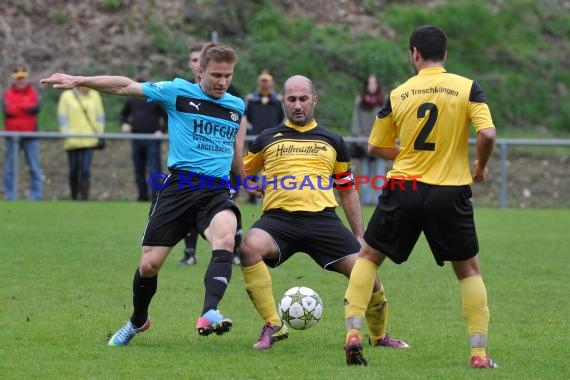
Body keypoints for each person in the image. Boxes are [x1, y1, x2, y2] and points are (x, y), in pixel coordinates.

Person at [41, 42, 254, 346]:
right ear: (200, 70)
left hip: (215, 191)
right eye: (216, 75)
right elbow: (126, 86)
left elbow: (235, 148)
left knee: (225, 238)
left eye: (228, 76)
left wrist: (245, 180)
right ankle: (138, 320)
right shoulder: (177, 91)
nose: (222, 82)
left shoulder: (235, 106)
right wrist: (79, 80)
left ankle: (210, 312)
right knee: (149, 265)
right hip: (179, 188)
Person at [342, 25, 498, 368]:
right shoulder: (467, 87)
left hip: (404, 186)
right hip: (450, 191)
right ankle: (478, 355)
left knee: (368, 256)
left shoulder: (399, 93)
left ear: (414, 54)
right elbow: (487, 132)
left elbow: (374, 146)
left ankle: (353, 333)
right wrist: (480, 166)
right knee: (469, 270)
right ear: (445, 54)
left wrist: (409, 156)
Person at [239, 75, 409, 351]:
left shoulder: (332, 140)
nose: (297, 105)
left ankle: (379, 336)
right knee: (249, 248)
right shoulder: (266, 139)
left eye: (303, 99)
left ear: (313, 100)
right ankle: (273, 325)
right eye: (291, 99)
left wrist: (359, 233)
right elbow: (243, 170)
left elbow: (347, 189)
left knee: (365, 271)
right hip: (278, 220)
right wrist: (248, 182)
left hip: (323, 220)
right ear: (283, 101)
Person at [180, 42, 243, 266]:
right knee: (190, 211)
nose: (222, 81)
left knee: (227, 211)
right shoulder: (182, 92)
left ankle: (234, 252)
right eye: (194, 60)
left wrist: (243, 173)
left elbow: (237, 132)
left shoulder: (229, 94)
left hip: (221, 171)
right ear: (195, 67)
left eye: (227, 75)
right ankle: (190, 253)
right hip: (191, 172)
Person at [120, 73, 167, 202]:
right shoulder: (131, 99)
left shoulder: (155, 98)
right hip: (136, 139)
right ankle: (141, 197)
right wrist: (125, 124)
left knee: (154, 170)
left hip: (152, 139)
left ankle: (156, 197)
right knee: (138, 169)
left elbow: (167, 117)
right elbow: (123, 115)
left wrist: (161, 130)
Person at [243, 70, 285, 204]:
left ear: (272, 83)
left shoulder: (278, 101)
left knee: (273, 167)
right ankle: (252, 197)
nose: (265, 85)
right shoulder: (251, 99)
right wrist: (250, 130)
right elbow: (245, 118)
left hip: (273, 139)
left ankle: (272, 196)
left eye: (267, 82)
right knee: (253, 168)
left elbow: (282, 119)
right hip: (254, 139)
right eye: (262, 81)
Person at [57, 85, 105, 200]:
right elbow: (62, 118)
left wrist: (99, 134)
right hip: (72, 140)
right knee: (73, 170)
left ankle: (84, 197)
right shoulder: (66, 96)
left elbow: (100, 117)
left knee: (85, 169)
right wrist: (66, 135)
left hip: (89, 139)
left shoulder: (95, 95)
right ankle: (74, 195)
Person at [2, 65, 43, 200]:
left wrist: (17, 107)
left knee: (34, 167)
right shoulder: (7, 94)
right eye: (18, 79)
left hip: (31, 135)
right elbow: (8, 111)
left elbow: (34, 109)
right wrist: (24, 107)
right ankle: (10, 195)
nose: (21, 81)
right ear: (14, 80)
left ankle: (36, 196)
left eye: (23, 78)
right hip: (12, 136)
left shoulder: (33, 93)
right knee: (10, 168)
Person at [350, 73, 386, 205]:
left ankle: (379, 203)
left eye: (374, 83)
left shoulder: (384, 100)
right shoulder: (360, 101)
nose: (372, 86)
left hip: (380, 143)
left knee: (379, 175)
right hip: (364, 143)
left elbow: (388, 121)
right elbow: (356, 120)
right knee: (364, 175)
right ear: (366, 85)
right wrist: (358, 135)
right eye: (370, 83)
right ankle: (365, 202)